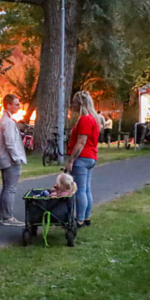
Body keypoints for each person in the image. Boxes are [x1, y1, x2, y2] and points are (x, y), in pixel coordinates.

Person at [64, 91, 102, 227]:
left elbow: (81, 142)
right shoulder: (94, 118)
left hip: (83, 157)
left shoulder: (85, 119)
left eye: (74, 103)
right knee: (86, 189)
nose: (71, 105)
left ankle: (79, 219)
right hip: (91, 156)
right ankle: (86, 217)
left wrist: (71, 160)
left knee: (79, 189)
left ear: (79, 104)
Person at [0, 93, 28, 227]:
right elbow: (10, 143)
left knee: (6, 187)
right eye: (16, 104)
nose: (19, 107)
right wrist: (16, 158)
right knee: (10, 189)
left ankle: (3, 215)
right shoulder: (7, 122)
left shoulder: (4, 121)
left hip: (4, 159)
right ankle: (7, 216)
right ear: (8, 105)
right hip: (9, 160)